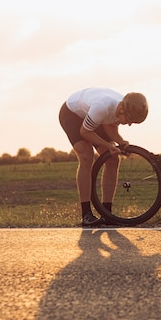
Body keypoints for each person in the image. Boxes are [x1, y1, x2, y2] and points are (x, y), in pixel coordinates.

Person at [59, 88, 149, 226]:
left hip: (96, 117)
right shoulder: (102, 107)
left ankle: (107, 213)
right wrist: (108, 145)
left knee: (112, 159)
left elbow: (109, 124)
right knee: (86, 155)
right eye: (130, 120)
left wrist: (121, 142)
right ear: (121, 109)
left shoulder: (120, 107)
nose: (130, 124)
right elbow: (85, 132)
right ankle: (86, 214)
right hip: (72, 114)